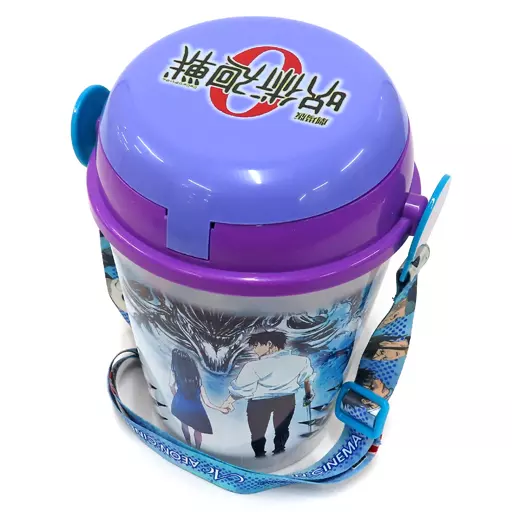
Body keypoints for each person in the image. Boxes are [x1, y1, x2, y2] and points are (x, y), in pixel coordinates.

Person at [222, 331, 315, 458]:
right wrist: (308, 394)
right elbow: (306, 380)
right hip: (286, 400)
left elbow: (242, 389)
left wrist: (228, 402)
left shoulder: (253, 366)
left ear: (269, 344)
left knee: (257, 433)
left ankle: (259, 456)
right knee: (282, 429)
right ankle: (279, 453)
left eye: (256, 345)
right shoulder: (301, 361)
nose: (254, 350)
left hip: (259, 403)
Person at [170, 349, 228, 448]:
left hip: (180, 405)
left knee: (184, 423)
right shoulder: (197, 378)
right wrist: (220, 409)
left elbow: (171, 385)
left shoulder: (176, 373)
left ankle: (188, 444)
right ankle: (197, 449)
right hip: (196, 410)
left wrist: (177, 397)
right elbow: (207, 402)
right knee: (198, 430)